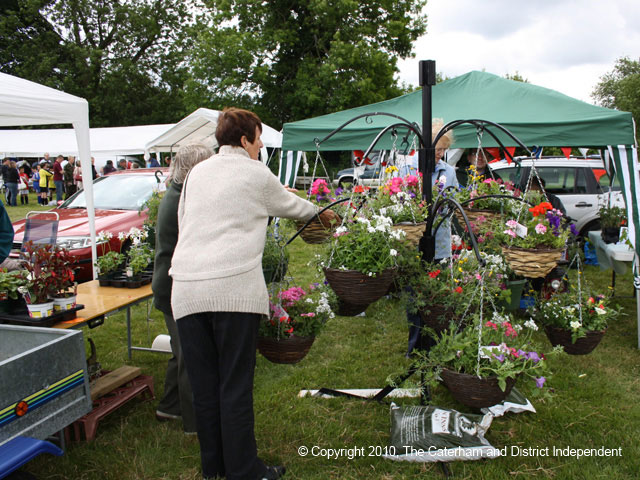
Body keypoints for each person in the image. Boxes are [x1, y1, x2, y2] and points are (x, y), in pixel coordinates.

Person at [169, 108, 337, 480]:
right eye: (258, 139)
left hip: (186, 289)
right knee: (235, 385)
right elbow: (298, 209)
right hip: (232, 290)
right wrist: (327, 213)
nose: (261, 146)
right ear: (244, 140)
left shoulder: (197, 172)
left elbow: (185, 223)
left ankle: (214, 469)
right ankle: (246, 471)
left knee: (205, 387)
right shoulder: (255, 171)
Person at [152, 143, 213, 436]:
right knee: (191, 354)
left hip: (170, 284)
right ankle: (195, 424)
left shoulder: (177, 193)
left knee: (181, 351)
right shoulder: (181, 201)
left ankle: (169, 406)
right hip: (174, 286)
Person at [406, 119, 459, 356]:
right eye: (438, 149)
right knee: (413, 298)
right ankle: (415, 346)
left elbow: (455, 204)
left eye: (444, 149)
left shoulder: (449, 172)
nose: (441, 154)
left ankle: (434, 346)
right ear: (423, 147)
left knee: (436, 298)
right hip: (413, 245)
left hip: (439, 245)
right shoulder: (407, 168)